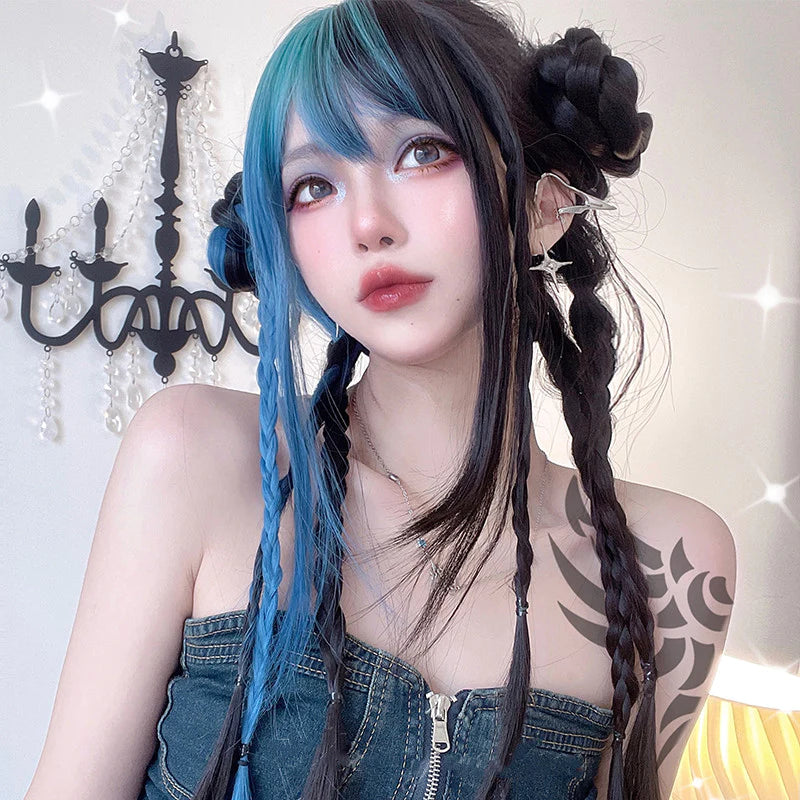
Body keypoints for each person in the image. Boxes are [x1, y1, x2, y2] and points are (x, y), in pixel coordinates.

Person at [24, 1, 738, 799]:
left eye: (423, 152)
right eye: (313, 186)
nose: (367, 223)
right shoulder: (195, 458)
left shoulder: (668, 566)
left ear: (546, 206)